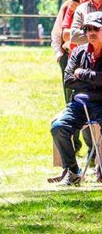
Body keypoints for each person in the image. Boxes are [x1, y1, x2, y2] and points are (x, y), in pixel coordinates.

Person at [51, 11, 102, 186]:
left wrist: (83, 74)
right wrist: (95, 80)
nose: (91, 32)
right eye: (87, 29)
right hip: (80, 104)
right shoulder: (79, 51)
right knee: (59, 127)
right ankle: (72, 172)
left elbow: (77, 78)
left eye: (96, 28)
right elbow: (68, 80)